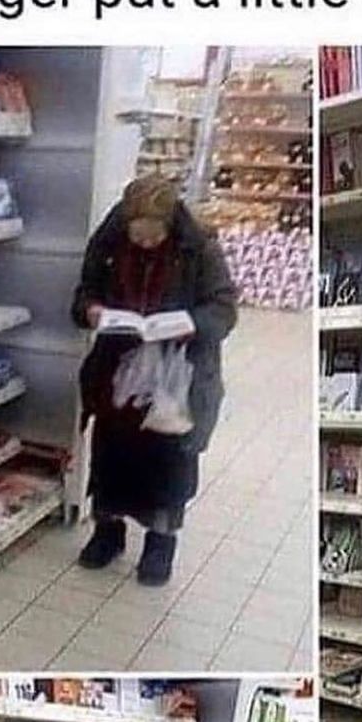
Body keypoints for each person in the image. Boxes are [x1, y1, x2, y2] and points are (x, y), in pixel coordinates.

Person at [71, 174, 237, 585]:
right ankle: (107, 532)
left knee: (168, 458)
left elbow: (224, 309)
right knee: (112, 453)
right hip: (118, 367)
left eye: (153, 238)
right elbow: (83, 294)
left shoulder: (199, 247)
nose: (144, 245)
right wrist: (91, 311)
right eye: (137, 237)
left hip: (178, 372)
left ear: (170, 226)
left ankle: (160, 543)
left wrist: (188, 323)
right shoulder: (108, 243)